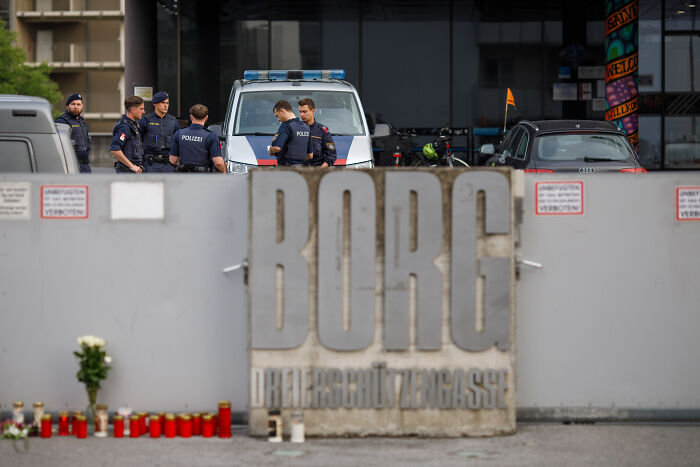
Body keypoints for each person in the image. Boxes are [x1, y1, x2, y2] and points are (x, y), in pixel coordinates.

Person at [169, 104, 226, 173]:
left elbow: (172, 160)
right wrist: (224, 171)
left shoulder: (179, 133)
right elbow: (218, 163)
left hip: (184, 177)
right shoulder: (211, 136)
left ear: (191, 117)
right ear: (206, 118)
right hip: (203, 178)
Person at [140, 91, 179, 173]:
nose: (165, 105)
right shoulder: (146, 120)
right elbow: (138, 140)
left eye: (167, 103)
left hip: (168, 163)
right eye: (163, 103)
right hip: (150, 163)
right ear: (155, 104)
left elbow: (178, 141)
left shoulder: (173, 121)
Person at [269, 100, 312, 166]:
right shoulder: (306, 127)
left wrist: (271, 149)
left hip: (288, 170)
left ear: (282, 111)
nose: (278, 119)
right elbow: (310, 155)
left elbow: (277, 148)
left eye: (277, 116)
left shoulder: (286, 126)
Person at [56, 93, 92, 173]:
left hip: (85, 165)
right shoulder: (62, 121)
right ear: (67, 106)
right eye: (73, 104)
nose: (76, 107)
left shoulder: (82, 121)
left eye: (78, 104)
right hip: (71, 166)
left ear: (82, 106)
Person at [110, 96, 146, 173]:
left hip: (134, 171)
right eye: (141, 109)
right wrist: (132, 166)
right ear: (133, 110)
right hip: (126, 172)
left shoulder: (134, 124)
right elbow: (115, 149)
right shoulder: (124, 127)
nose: (144, 112)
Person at [298, 98, 336, 168]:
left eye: (304, 111)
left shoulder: (322, 131)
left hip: (317, 170)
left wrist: (320, 171)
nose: (302, 115)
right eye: (300, 112)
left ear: (313, 110)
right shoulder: (294, 129)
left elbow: (331, 155)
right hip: (298, 171)